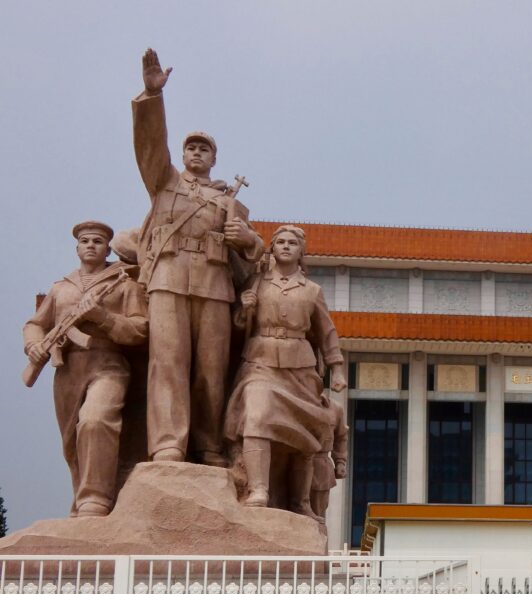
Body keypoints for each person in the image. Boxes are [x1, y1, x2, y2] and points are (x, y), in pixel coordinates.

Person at [131, 48, 262, 466]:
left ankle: (208, 444)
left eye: (205, 149)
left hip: (214, 284)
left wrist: (246, 239)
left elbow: (256, 256)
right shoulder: (165, 182)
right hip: (168, 277)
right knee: (167, 362)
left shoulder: (230, 201)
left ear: (215, 158)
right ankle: (168, 442)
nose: (197, 153)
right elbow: (151, 146)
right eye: (191, 147)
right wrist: (153, 98)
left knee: (210, 370)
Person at [23, 222, 148, 517]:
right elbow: (35, 324)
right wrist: (35, 345)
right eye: (85, 241)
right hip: (67, 368)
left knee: (95, 421)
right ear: (77, 248)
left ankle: (96, 499)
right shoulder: (60, 288)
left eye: (98, 241)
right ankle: (81, 499)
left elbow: (140, 329)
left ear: (108, 248)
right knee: (72, 441)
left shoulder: (123, 283)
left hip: (108, 363)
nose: (91, 245)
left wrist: (102, 317)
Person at [224, 225, 346, 516]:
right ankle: (258, 488)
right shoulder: (257, 281)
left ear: (302, 251)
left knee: (304, 432)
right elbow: (237, 327)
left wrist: (337, 368)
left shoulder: (312, 291)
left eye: (293, 243)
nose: (286, 247)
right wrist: (244, 309)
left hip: (299, 368)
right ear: (273, 247)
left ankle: (299, 500)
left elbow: (326, 332)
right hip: (260, 360)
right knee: (256, 415)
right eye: (280, 242)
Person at [310, 394, 349, 521]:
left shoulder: (335, 408)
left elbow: (341, 437)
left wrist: (340, 461)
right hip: (291, 461)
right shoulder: (292, 398)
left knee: (317, 514)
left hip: (319, 464)